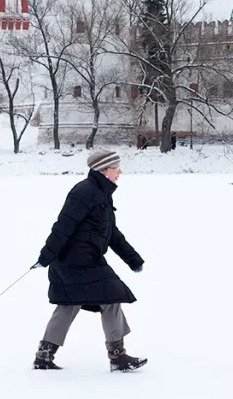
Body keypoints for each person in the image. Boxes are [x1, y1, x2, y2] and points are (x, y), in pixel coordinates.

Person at [32, 149, 147, 372]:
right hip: (76, 261)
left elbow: (111, 232)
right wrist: (46, 256)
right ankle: (118, 357)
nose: (120, 172)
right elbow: (63, 227)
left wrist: (132, 259)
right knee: (111, 296)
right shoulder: (84, 192)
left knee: (70, 303)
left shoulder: (101, 193)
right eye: (116, 168)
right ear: (104, 171)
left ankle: (44, 355)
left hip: (84, 260)